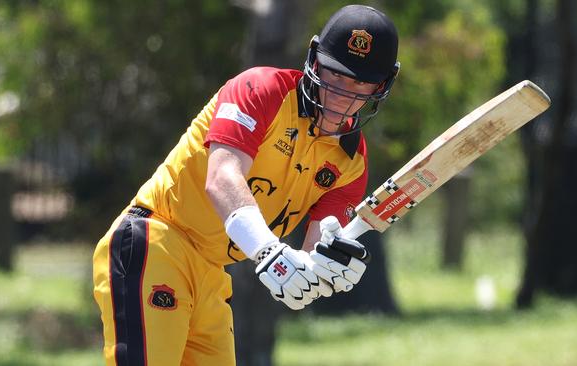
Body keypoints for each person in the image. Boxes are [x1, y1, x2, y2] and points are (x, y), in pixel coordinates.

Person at [92, 4, 400, 365]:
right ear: (315, 63)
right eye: (335, 76)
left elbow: (314, 250)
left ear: (381, 85)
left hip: (213, 272)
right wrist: (270, 252)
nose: (341, 96)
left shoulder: (351, 160)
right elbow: (222, 178)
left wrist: (322, 275)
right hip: (157, 241)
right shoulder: (261, 89)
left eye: (359, 84)